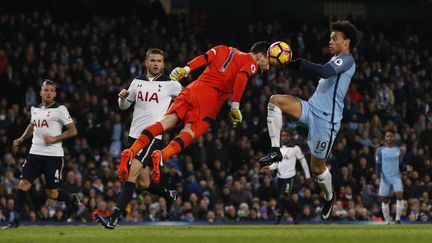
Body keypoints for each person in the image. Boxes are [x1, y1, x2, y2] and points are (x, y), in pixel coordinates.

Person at [119, 41, 271, 184]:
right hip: (210, 100)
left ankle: (130, 151)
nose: (268, 67)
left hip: (193, 88)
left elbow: (205, 58)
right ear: (259, 56)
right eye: (268, 61)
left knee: (163, 123)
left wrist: (186, 69)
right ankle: (162, 155)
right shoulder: (251, 64)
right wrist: (235, 106)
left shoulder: (223, 48)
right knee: (189, 134)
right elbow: (241, 77)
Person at [259, 20, 360, 221]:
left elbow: (324, 72)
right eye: (330, 37)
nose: (330, 41)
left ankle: (329, 197)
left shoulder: (347, 60)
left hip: (326, 122)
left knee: (317, 169)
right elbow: (322, 77)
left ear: (346, 42)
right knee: (275, 101)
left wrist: (301, 63)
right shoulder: (334, 60)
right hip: (310, 108)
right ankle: (275, 150)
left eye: (335, 38)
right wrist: (296, 67)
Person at [93, 49, 182, 229]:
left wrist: (176, 121)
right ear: (146, 62)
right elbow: (124, 107)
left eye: (159, 61)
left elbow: (186, 101)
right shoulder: (137, 82)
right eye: (153, 60)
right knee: (143, 183)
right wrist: (122, 98)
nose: (156, 64)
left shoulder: (172, 84)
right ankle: (168, 194)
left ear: (164, 64)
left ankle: (113, 218)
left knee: (130, 175)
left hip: (152, 136)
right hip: (133, 136)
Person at [3, 79, 80, 229]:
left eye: (51, 90)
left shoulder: (60, 109)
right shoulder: (35, 109)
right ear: (40, 93)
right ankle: (15, 221)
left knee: (51, 193)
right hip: (34, 154)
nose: (48, 93)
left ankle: (71, 198)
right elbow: (32, 125)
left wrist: (55, 138)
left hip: (54, 156)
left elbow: (73, 130)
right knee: (23, 184)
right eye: (46, 90)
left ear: (55, 93)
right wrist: (21, 138)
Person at [261, 130, 310, 224]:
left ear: (290, 137)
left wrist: (307, 175)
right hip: (280, 178)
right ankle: (296, 218)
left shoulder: (295, 148)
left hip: (289, 177)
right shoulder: (278, 149)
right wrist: (269, 167)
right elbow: (276, 164)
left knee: (284, 197)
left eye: (287, 135)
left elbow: (303, 162)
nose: (285, 137)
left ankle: (278, 220)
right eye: (283, 136)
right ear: (281, 137)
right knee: (283, 199)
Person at [376, 129, 406, 224]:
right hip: (385, 178)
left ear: (394, 137)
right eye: (387, 136)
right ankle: (387, 220)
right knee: (385, 199)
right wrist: (377, 177)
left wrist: (406, 168)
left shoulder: (398, 150)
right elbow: (378, 165)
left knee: (400, 195)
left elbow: (401, 165)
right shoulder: (380, 151)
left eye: (391, 136)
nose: (389, 138)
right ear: (385, 138)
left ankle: (397, 219)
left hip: (396, 177)